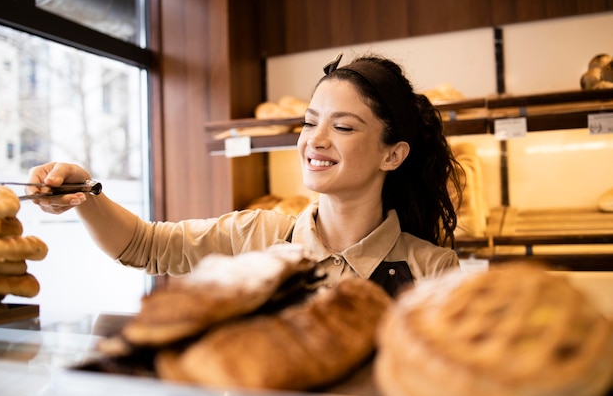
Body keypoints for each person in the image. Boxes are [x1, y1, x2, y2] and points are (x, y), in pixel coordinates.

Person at [26, 53, 463, 297]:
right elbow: (144, 245)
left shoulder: (433, 270)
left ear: (393, 155)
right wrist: (87, 191)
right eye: (310, 122)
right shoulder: (257, 237)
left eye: (343, 127)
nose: (316, 140)